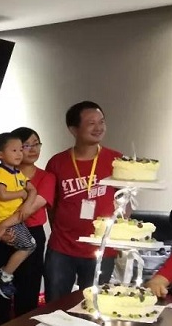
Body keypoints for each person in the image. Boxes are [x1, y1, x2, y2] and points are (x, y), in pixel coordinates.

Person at [44, 101, 121, 302]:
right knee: (55, 307)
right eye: (91, 123)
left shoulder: (116, 160)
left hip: (101, 248)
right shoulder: (57, 162)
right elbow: (51, 205)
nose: (99, 127)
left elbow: (124, 200)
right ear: (73, 129)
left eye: (101, 122)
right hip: (62, 248)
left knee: (94, 307)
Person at [0, 127, 55, 326]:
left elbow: (28, 209)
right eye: (26, 145)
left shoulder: (46, 177)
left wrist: (1, 227)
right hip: (0, 236)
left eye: (36, 144)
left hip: (29, 233)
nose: (32, 149)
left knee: (27, 296)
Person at [0, 133, 38, 300]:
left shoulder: (18, 173)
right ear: (0, 154)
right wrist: (22, 194)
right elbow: (3, 195)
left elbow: (33, 190)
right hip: (2, 219)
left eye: (20, 150)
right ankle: (4, 274)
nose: (19, 154)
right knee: (29, 245)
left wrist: (27, 203)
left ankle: (6, 274)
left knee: (30, 245)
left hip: (14, 218)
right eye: (14, 150)